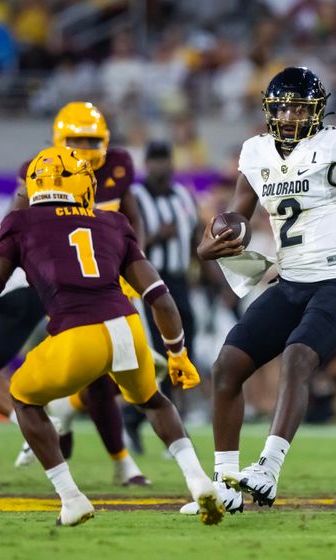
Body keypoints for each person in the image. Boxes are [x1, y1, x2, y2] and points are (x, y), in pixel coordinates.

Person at [0, 146, 223, 526]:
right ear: (84, 186)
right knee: (153, 401)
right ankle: (198, 479)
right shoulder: (113, 222)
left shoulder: (20, 223)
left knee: (22, 398)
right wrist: (176, 352)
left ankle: (71, 498)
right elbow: (161, 297)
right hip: (127, 329)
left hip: (77, 335)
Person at [189, 67, 336, 514]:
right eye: (283, 106)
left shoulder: (334, 148)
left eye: (299, 106)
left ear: (316, 111)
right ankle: (227, 482)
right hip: (289, 282)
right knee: (227, 366)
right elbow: (238, 212)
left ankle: (268, 470)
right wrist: (218, 235)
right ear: (269, 110)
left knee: (297, 357)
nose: (290, 114)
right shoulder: (256, 153)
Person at [0, 101, 150, 487]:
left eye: (92, 139)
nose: (85, 145)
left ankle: (74, 418)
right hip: (58, 287)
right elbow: (14, 225)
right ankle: (120, 459)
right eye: (77, 139)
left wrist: (134, 264)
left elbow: (131, 219)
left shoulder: (118, 166)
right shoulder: (39, 169)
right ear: (60, 140)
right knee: (94, 374)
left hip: (109, 283)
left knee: (114, 378)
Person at [123, 140, 200, 453]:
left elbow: (195, 238)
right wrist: (157, 237)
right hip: (150, 284)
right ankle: (139, 419)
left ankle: (152, 422)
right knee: (155, 355)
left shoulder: (184, 196)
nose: (159, 166)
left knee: (183, 352)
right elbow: (127, 242)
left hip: (180, 283)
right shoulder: (136, 197)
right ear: (146, 164)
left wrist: (219, 283)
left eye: (163, 158)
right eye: (153, 159)